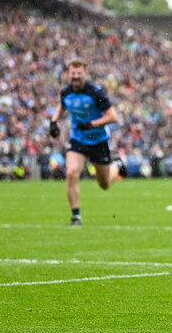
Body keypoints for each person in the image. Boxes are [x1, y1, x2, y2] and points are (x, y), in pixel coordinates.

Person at [49, 58, 125, 226]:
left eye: (78, 73)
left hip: (98, 140)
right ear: (68, 74)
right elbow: (62, 106)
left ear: (84, 74)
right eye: (73, 73)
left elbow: (113, 117)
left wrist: (91, 124)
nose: (75, 76)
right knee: (71, 172)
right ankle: (76, 216)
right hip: (78, 139)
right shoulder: (66, 92)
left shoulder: (95, 93)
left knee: (104, 184)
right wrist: (54, 121)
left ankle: (117, 166)